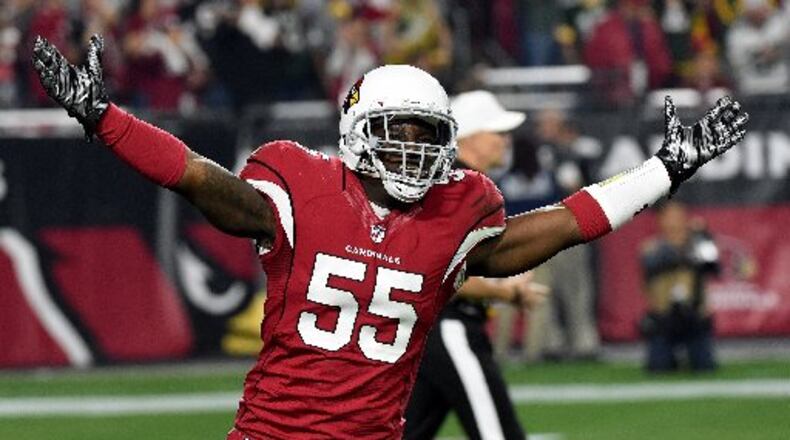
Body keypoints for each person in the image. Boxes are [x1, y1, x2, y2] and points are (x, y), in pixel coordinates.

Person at [31, 34, 747, 439]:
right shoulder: (297, 189)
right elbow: (197, 177)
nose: (410, 153)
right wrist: (108, 120)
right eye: (394, 135)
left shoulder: (453, 214)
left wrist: (665, 169)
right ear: (354, 132)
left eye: (425, 138)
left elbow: (560, 225)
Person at [404, 90, 548, 440]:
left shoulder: (449, 184)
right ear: (467, 136)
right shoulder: (458, 188)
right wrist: (502, 290)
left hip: (428, 332)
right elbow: (434, 273)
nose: (505, 140)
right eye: (496, 132)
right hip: (449, 326)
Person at [639, 200, 720, 372]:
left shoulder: (699, 242)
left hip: (694, 315)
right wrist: (685, 250)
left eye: (677, 216)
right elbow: (656, 265)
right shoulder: (651, 247)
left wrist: (703, 237)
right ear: (660, 220)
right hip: (665, 317)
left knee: (705, 366)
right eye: (668, 216)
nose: (673, 221)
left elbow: (713, 266)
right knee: (659, 368)